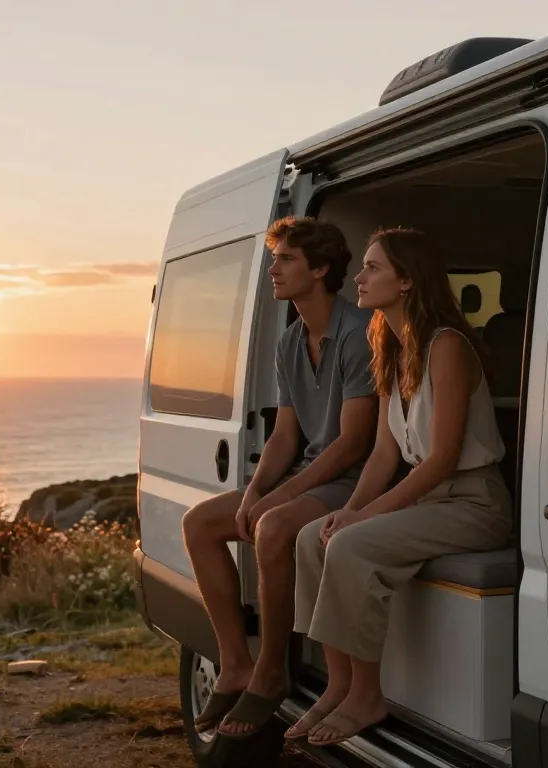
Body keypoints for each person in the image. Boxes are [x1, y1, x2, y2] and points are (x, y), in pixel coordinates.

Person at [288, 227, 513, 747]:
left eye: (373, 268)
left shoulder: (448, 346)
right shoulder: (389, 345)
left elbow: (439, 461)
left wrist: (360, 520)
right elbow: (385, 453)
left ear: (407, 280)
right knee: (311, 536)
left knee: (350, 542)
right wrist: (347, 509)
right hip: (428, 499)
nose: (359, 278)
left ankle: (367, 695)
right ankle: (338, 684)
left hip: (473, 502)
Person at [182, 216, 378, 739]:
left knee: (270, 528)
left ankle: (272, 672)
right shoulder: (291, 339)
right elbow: (285, 434)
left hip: (352, 480)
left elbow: (354, 443)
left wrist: (280, 497)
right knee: (200, 523)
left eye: (286, 259)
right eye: (275, 258)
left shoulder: (359, 335)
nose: (273, 269)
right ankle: (235, 663)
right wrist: (253, 491)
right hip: (307, 473)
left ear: (320, 269)